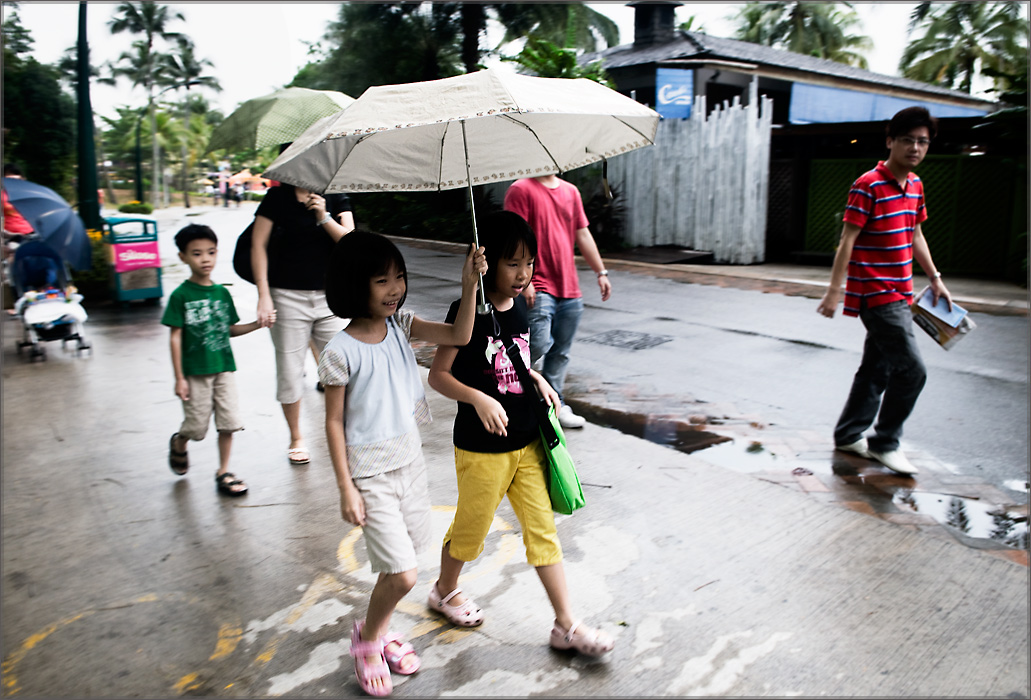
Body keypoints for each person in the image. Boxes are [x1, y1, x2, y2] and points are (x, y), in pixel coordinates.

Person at [427, 210, 615, 658]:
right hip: (482, 448)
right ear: (486, 260)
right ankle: (443, 591)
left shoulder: (520, 308)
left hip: (527, 442)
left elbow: (514, 360)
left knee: (542, 531)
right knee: (471, 532)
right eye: (513, 263)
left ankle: (566, 625)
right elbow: (438, 376)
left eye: (529, 263)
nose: (523, 273)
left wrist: (537, 378)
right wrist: (478, 398)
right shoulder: (465, 311)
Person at [318, 231, 485, 697]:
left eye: (399, 277)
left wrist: (469, 284)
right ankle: (368, 640)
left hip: (410, 466)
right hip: (370, 477)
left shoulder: (401, 327)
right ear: (355, 285)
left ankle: (382, 627)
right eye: (380, 280)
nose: (394, 288)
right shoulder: (340, 351)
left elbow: (460, 335)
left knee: (402, 564)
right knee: (403, 574)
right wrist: (345, 487)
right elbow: (333, 422)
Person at [817, 106, 952, 476]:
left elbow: (916, 234)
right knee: (912, 371)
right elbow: (847, 241)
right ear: (891, 141)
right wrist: (834, 291)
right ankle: (885, 443)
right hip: (875, 293)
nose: (915, 147)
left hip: (902, 291)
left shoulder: (916, 185)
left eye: (922, 141)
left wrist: (935, 278)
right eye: (908, 140)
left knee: (876, 368)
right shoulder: (868, 184)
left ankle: (848, 434)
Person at [251, 181, 355, 466]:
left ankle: (347, 430)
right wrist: (263, 295)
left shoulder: (335, 193)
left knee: (344, 367)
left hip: (330, 297)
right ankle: (296, 437)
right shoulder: (277, 197)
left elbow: (351, 243)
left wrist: (324, 216)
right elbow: (258, 245)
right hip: (285, 296)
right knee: (289, 370)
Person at [163, 224, 266, 496]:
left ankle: (224, 471)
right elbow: (175, 337)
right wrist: (179, 378)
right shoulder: (181, 295)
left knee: (229, 422)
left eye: (210, 252)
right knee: (197, 428)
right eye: (196, 254)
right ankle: (180, 442)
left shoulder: (221, 293)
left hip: (224, 368)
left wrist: (257, 324)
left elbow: (229, 329)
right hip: (195, 371)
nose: (205, 259)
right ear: (183, 257)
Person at [504, 174, 611, 430]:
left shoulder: (571, 191)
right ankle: (510, 395)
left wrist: (601, 272)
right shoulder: (521, 189)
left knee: (560, 353)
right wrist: (525, 282)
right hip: (538, 284)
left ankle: (555, 404)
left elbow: (582, 234)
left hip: (569, 287)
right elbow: (513, 237)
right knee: (537, 344)